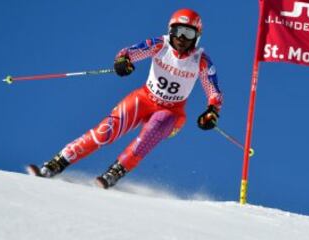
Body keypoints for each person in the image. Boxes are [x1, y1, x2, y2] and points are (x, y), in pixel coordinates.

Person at [27, 8, 223, 189]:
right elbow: (128, 52)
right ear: (170, 31)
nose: (182, 38)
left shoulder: (201, 61)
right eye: (178, 31)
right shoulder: (159, 45)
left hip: (172, 113)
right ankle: (56, 163)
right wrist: (123, 61)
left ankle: (115, 172)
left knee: (155, 127)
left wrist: (212, 111)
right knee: (106, 131)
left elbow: (213, 91)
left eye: (188, 33)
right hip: (145, 99)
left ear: (196, 37)